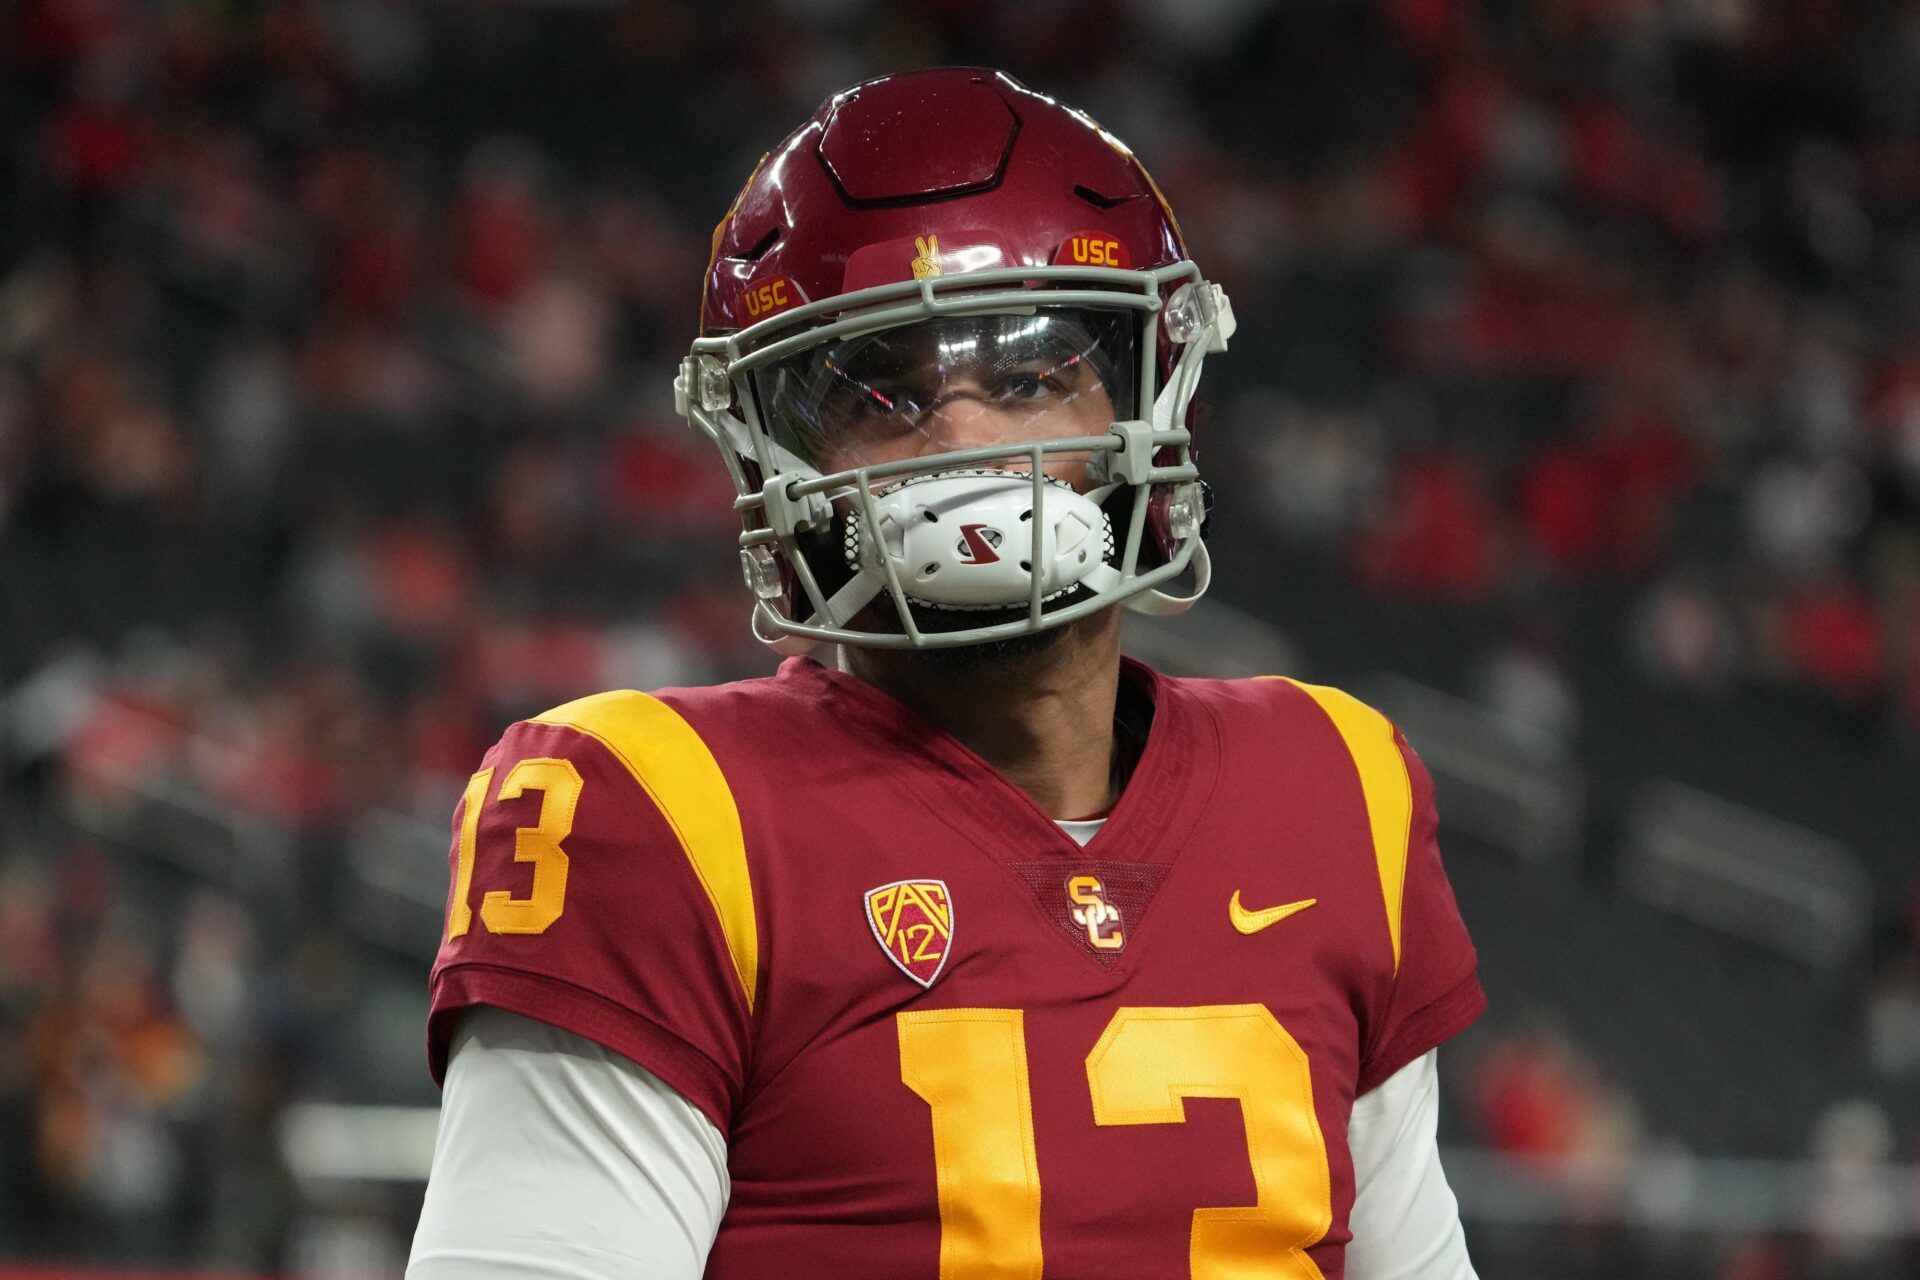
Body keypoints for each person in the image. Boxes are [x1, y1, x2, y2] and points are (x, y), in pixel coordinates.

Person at [408, 68, 1484, 1279]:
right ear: (777, 459)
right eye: (885, 393)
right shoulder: (657, 808)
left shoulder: (1334, 783)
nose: (966, 443)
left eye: (1025, 378)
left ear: (1147, 398)